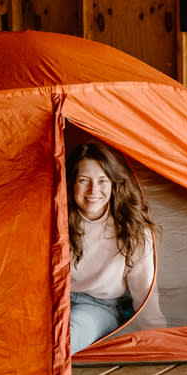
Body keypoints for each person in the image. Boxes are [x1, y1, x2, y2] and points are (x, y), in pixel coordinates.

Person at [67, 140, 159, 353]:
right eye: (84, 180)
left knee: (65, 339)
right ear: (72, 183)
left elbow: (144, 289)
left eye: (102, 181)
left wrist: (156, 337)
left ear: (113, 183)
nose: (93, 190)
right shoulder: (57, 217)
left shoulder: (132, 229)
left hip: (97, 307)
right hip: (53, 300)